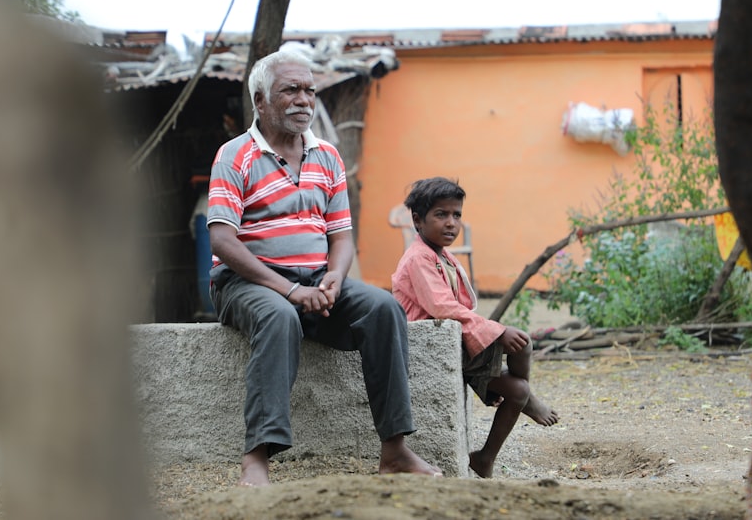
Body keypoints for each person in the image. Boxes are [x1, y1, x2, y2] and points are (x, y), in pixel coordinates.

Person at [207, 48, 442, 487]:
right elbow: (222, 240)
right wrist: (290, 291)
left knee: (383, 308)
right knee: (278, 317)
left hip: (315, 280)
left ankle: (394, 450)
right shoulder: (234, 156)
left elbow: (341, 238)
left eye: (309, 91)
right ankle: (256, 455)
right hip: (244, 283)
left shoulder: (327, 157)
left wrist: (334, 277)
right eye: (290, 90)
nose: (303, 100)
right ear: (260, 101)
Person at [391, 177, 559, 478]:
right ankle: (527, 399)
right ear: (417, 220)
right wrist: (494, 329)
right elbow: (442, 308)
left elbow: (462, 306)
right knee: (521, 347)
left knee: (518, 385)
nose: (451, 223)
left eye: (457, 215)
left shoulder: (445, 257)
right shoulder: (418, 258)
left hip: (453, 341)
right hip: (429, 345)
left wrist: (488, 329)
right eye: (441, 215)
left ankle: (484, 458)